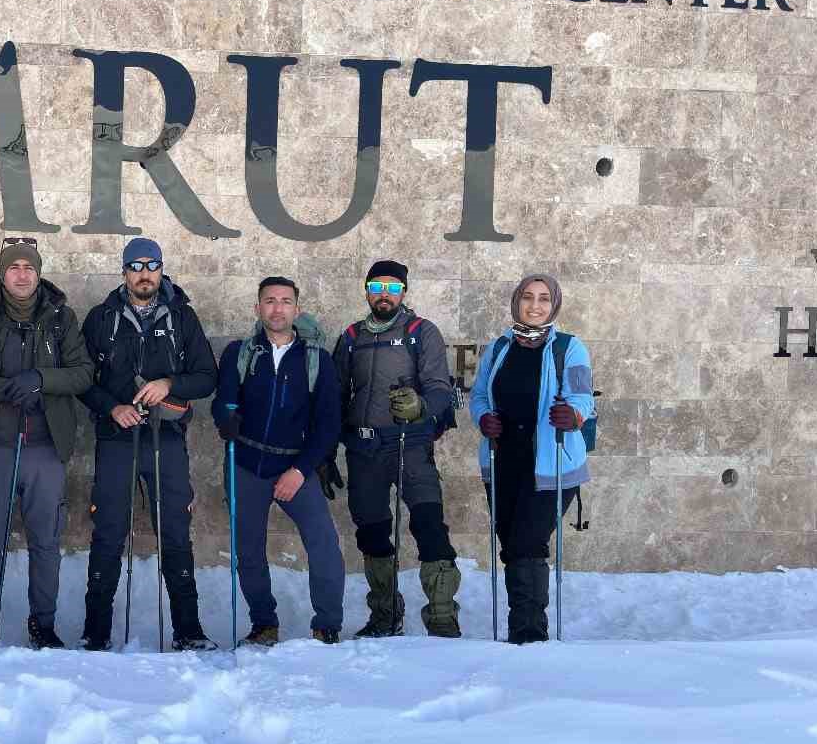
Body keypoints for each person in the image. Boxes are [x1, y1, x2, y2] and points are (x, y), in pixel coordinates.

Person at [0, 238, 92, 649]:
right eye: (14, 267)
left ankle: (42, 624)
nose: (22, 274)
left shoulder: (61, 318)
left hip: (45, 448)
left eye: (29, 267)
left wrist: (43, 380)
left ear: (38, 271)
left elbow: (83, 373)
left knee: (46, 540)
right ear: (2, 271)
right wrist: (7, 389)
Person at [79, 237, 219, 652]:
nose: (144, 274)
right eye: (135, 266)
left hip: (167, 439)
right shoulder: (101, 318)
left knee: (176, 531)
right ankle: (96, 632)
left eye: (151, 265)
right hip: (117, 438)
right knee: (108, 532)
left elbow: (206, 376)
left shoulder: (182, 317)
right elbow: (83, 380)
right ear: (124, 272)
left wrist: (169, 384)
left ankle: (188, 630)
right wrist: (111, 408)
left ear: (161, 270)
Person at [212, 277, 345, 645]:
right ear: (258, 308)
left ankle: (327, 624)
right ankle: (263, 622)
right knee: (249, 548)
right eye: (269, 301)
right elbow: (223, 401)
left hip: (295, 467)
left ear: (296, 310)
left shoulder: (317, 360)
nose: (277, 308)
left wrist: (300, 470)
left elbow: (328, 424)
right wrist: (226, 417)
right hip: (247, 464)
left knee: (323, 544)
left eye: (285, 301)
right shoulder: (239, 353)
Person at [332, 260, 462, 639]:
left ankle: (441, 617)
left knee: (428, 526)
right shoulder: (353, 335)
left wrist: (421, 405)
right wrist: (329, 446)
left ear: (404, 291)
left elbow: (440, 388)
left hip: (410, 446)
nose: (384, 294)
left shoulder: (422, 332)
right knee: (371, 531)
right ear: (367, 291)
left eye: (392, 287)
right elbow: (336, 394)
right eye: (376, 287)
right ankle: (385, 613)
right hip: (364, 449)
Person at [470, 274, 593, 644]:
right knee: (511, 543)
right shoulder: (499, 347)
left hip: (551, 463)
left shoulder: (569, 348)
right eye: (527, 297)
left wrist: (573, 415)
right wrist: (483, 419)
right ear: (517, 302)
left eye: (543, 299)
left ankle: (529, 634)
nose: (535, 305)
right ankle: (521, 632)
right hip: (504, 461)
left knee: (527, 542)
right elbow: (478, 396)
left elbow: (583, 396)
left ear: (553, 304)